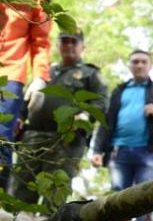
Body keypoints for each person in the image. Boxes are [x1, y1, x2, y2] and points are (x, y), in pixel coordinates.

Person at [10, 31, 107, 208]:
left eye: (73, 42)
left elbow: (101, 101)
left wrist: (84, 117)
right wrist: (20, 117)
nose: (69, 45)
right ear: (58, 45)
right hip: (33, 135)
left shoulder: (90, 73)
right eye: (64, 41)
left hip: (66, 139)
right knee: (21, 187)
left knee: (55, 192)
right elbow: (28, 96)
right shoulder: (45, 71)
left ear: (82, 47)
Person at [91, 50, 153, 196]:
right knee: (117, 200)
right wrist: (97, 151)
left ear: (150, 65)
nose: (139, 65)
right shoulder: (119, 90)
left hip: (150, 152)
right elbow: (106, 121)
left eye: (144, 62)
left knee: (146, 197)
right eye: (135, 62)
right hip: (119, 152)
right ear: (129, 66)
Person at [0, 0, 51, 188]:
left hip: (10, 79)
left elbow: (41, 44)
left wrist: (40, 77)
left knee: (1, 138)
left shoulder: (30, 5)